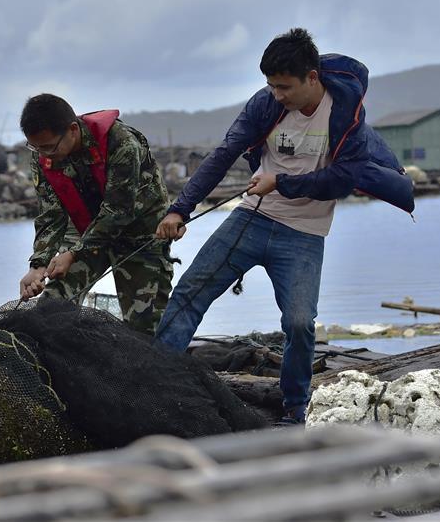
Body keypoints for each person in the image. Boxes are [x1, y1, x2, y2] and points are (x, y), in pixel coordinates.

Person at [153, 28, 414, 425]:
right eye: (271, 86)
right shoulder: (265, 105)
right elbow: (225, 154)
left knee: (298, 323)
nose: (277, 94)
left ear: (313, 78)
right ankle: (153, 386)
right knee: (190, 292)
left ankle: (295, 408)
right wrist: (180, 210)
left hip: (304, 235)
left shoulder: (346, 117)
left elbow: (341, 181)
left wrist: (282, 182)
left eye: (284, 87)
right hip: (252, 217)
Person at [18, 93, 173, 334]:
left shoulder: (121, 142)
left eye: (49, 147)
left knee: (144, 326)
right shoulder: (43, 155)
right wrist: (38, 265)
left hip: (140, 234)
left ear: (72, 129)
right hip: (86, 232)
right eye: (35, 147)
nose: (43, 154)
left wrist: (73, 253)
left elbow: (118, 212)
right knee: (53, 303)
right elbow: (50, 214)